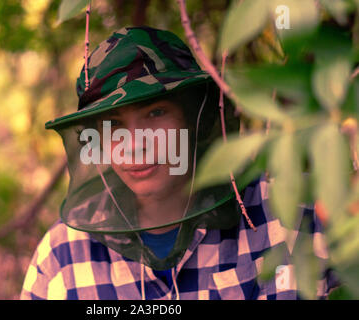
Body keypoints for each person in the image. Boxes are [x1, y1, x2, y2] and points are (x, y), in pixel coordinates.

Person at [20, 26, 338, 300]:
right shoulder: (63, 254)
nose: (135, 146)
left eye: (155, 113)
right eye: (114, 125)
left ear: (193, 118)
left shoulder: (290, 215)